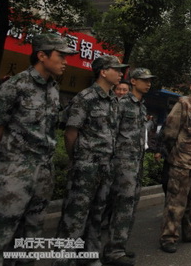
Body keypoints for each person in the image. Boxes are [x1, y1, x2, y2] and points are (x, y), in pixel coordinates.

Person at [0, 34, 77, 265]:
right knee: (0, 232)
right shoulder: (15, 86)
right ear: (41, 55)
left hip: (44, 171)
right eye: (61, 56)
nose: (66, 61)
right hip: (15, 170)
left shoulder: (54, 88)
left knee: (32, 234)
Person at [55, 54, 127, 265]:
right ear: (103, 71)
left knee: (96, 216)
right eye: (117, 69)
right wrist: (77, 160)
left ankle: (89, 257)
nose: (121, 73)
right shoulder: (86, 97)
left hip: (104, 168)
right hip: (85, 167)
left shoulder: (113, 99)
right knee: (74, 219)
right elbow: (71, 133)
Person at [103, 68, 156, 266]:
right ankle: (113, 251)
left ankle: (120, 246)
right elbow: (112, 133)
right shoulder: (121, 104)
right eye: (144, 80)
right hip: (122, 162)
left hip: (136, 162)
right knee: (122, 205)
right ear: (133, 81)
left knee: (131, 206)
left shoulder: (141, 106)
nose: (148, 83)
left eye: (150, 80)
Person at [159, 74, 191, 253]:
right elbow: (169, 132)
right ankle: (168, 236)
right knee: (176, 202)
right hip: (181, 162)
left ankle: (190, 232)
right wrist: (175, 153)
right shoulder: (183, 104)